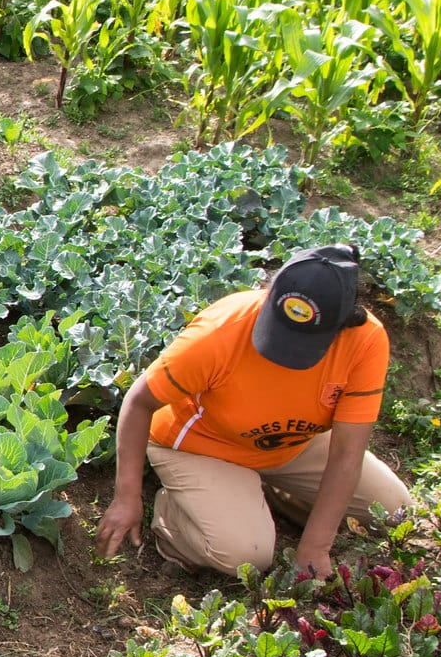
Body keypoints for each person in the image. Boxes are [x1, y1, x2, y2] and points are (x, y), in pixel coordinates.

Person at [96, 244, 410, 578]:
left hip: (289, 445)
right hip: (201, 445)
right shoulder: (221, 331)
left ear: (345, 325)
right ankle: (174, 513)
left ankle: (263, 495)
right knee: (246, 557)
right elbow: (139, 401)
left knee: (392, 511)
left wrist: (316, 547)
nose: (285, 353)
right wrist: (127, 496)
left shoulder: (365, 341)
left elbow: (348, 451)